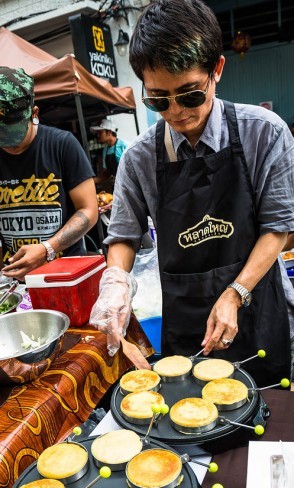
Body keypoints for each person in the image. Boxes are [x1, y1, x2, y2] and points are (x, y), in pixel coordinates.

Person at [90, 0, 294, 387]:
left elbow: (278, 227)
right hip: (188, 327)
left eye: (189, 94)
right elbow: (123, 237)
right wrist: (115, 283)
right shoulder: (139, 158)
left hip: (257, 314)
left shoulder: (263, 133)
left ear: (216, 69)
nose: (176, 112)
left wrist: (235, 293)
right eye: (158, 100)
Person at [0, 67, 98, 281]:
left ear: (34, 114)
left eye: (13, 135)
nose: (8, 145)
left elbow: (89, 210)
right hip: (13, 281)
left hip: (65, 276)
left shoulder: (62, 144)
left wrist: (47, 248)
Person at [90, 118, 128, 193]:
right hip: (117, 187)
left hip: (128, 184)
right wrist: (93, 181)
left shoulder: (123, 145)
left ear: (109, 132)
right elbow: (107, 173)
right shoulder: (105, 150)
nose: (98, 135)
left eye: (100, 132)